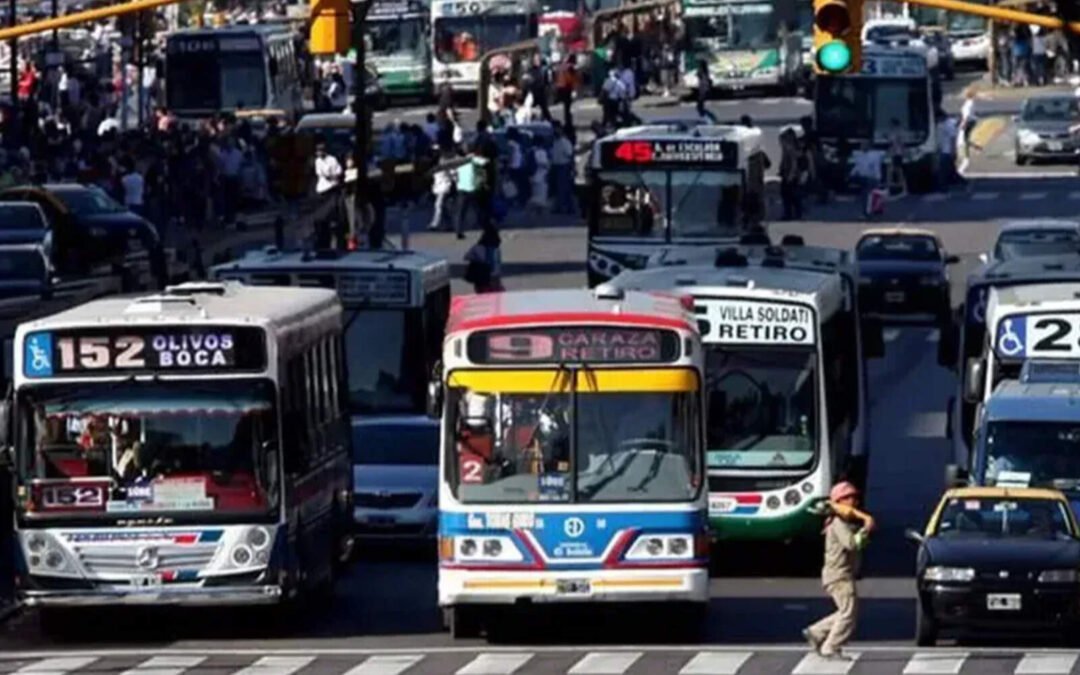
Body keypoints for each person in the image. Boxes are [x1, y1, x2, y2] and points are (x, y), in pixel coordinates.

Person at [803, 482, 875, 660]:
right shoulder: (837, 523)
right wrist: (866, 529)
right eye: (848, 498)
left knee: (846, 611)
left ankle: (816, 632)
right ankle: (831, 647)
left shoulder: (842, 522)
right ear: (839, 502)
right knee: (848, 613)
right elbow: (851, 544)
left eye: (855, 497)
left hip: (840, 574)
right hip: (839, 575)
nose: (853, 501)